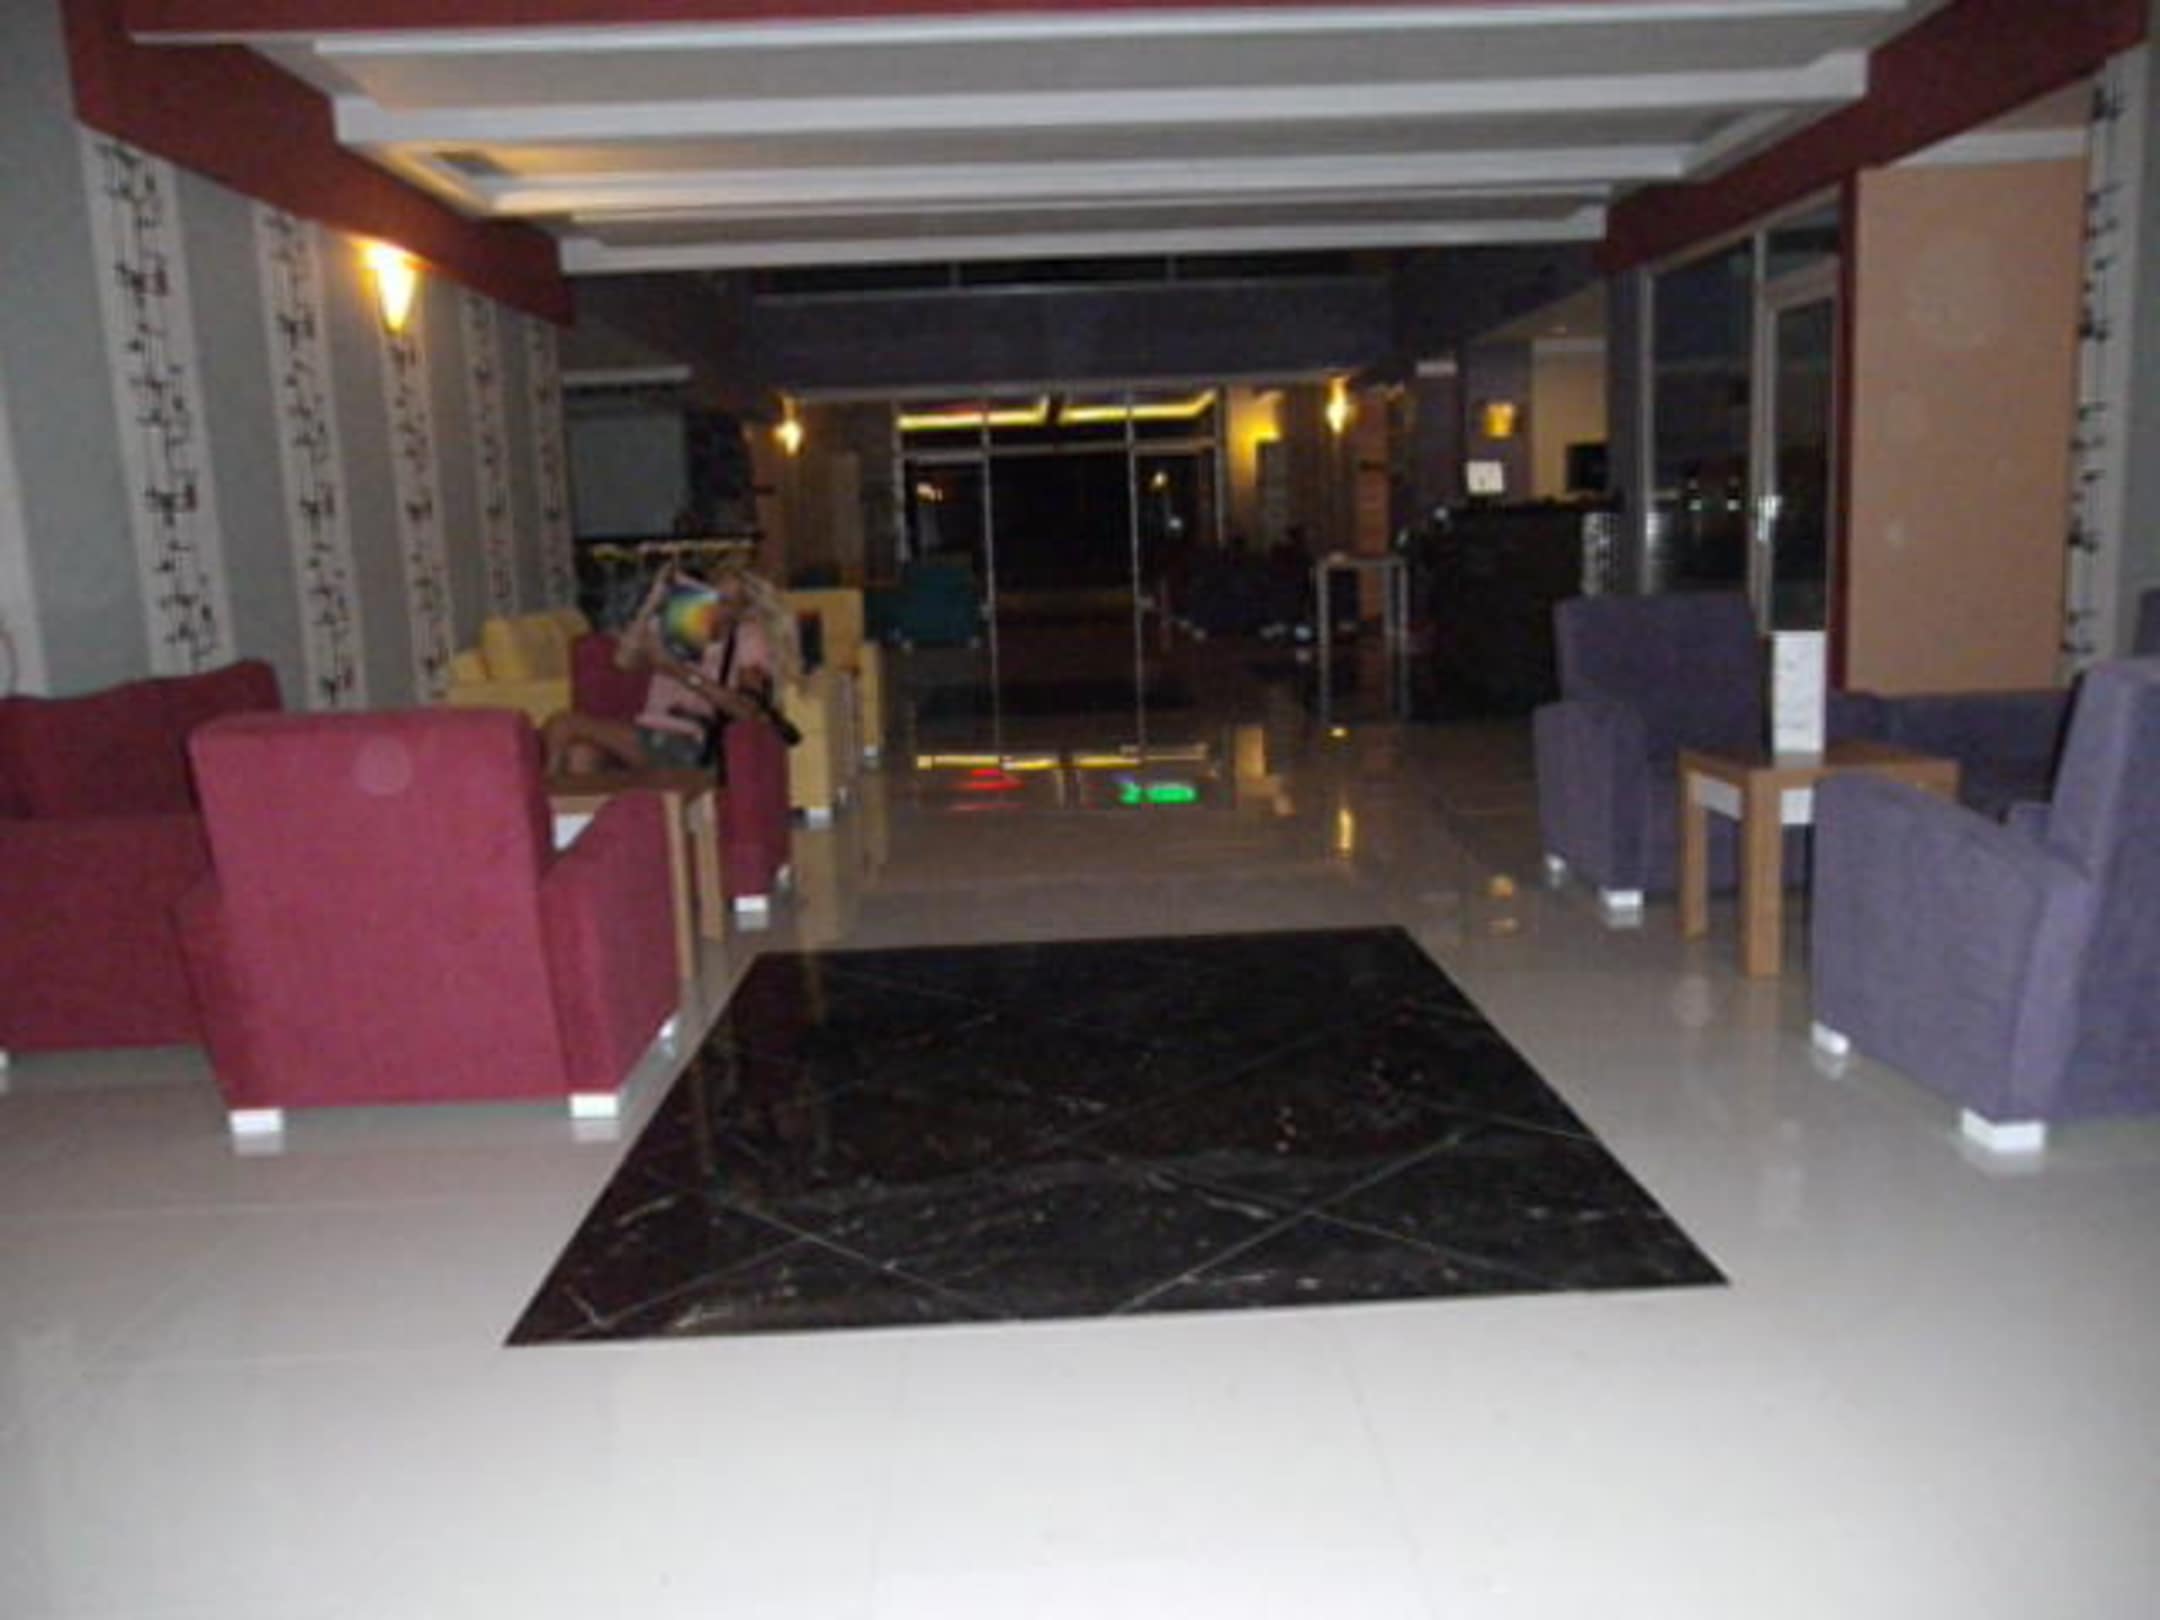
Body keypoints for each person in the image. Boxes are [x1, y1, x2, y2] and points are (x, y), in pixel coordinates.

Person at [542, 561, 797, 778]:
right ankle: (587, 819)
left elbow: (747, 708)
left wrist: (675, 670)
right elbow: (624, 661)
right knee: (581, 754)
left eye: (726, 602)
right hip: (649, 732)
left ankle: (541, 808)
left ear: (743, 610)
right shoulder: (683, 624)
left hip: (690, 739)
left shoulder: (746, 638)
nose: (716, 608)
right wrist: (655, 600)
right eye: (712, 596)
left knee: (563, 724)